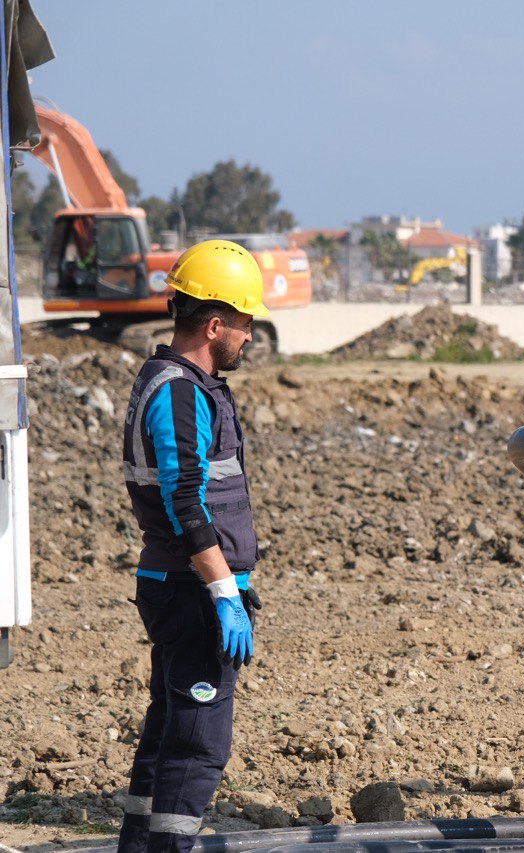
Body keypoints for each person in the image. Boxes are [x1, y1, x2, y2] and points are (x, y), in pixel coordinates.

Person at [118, 239, 270, 852]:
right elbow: (186, 505)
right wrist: (223, 591)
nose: (250, 338)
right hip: (189, 592)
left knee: (169, 725)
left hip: (181, 586)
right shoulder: (179, 393)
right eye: (245, 324)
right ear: (215, 324)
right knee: (198, 741)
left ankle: (139, 845)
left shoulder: (179, 383)